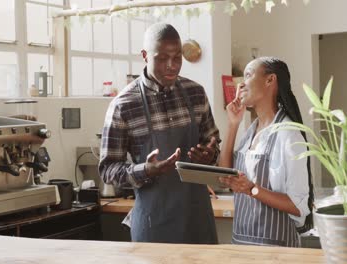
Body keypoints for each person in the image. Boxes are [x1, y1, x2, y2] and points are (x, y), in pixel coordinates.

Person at [99, 23, 220, 244]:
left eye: (177, 57)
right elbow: (107, 170)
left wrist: (209, 156)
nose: (171, 66)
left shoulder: (196, 93)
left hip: (198, 222)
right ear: (145, 56)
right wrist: (146, 170)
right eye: (162, 58)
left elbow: (213, 144)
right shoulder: (124, 105)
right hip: (153, 226)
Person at [219, 57, 314, 247]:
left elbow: (298, 207)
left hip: (276, 250)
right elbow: (224, 177)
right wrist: (232, 125)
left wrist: (251, 189)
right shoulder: (250, 133)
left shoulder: (288, 134)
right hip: (242, 244)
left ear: (270, 80)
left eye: (248, 75)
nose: (241, 84)